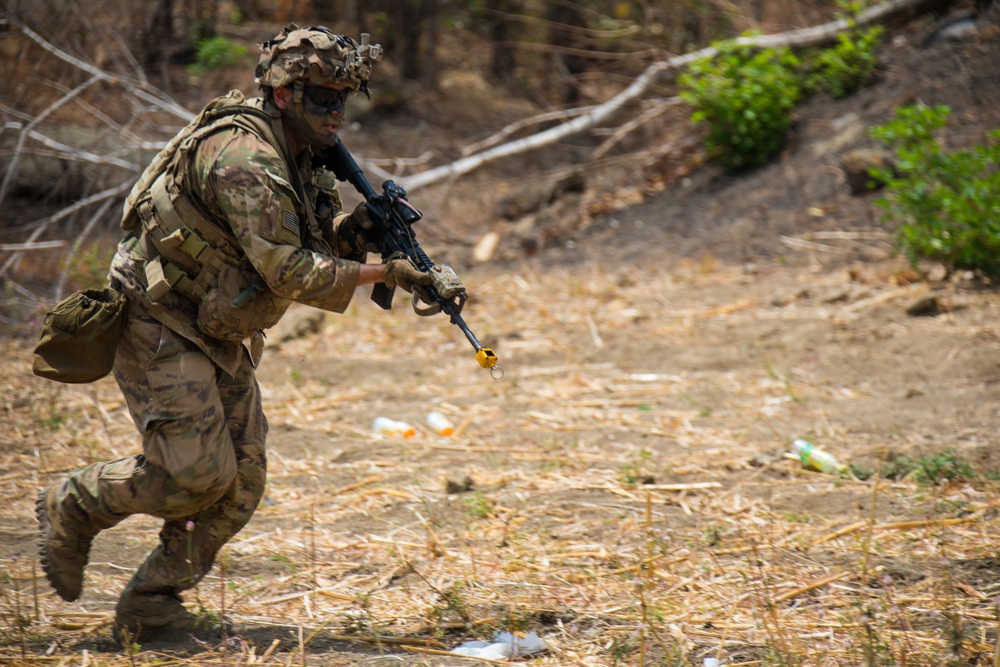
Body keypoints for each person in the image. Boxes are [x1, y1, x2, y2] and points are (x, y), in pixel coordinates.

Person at [35, 24, 434, 643]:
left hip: (215, 320)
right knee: (189, 474)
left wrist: (365, 234)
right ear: (282, 96)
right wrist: (388, 273)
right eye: (322, 100)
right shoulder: (244, 157)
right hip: (158, 315)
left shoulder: (303, 154)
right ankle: (74, 503)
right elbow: (287, 268)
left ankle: (153, 604)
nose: (336, 115)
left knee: (240, 483)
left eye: (342, 101)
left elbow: (309, 240)